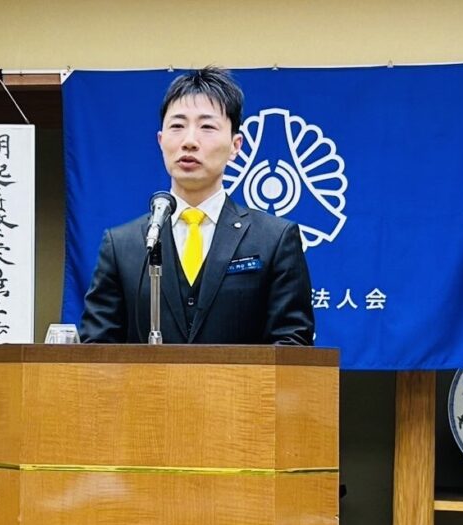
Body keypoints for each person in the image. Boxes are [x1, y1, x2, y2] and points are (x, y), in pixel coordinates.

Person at [79, 67, 314, 345]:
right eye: (177, 126)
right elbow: (97, 349)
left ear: (236, 145)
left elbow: (292, 342)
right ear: (161, 141)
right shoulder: (121, 245)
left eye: (207, 127)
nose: (189, 141)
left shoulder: (274, 239)